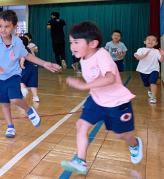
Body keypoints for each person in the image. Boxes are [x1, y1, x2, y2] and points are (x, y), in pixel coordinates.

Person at [61, 22, 143, 175]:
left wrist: (85, 86)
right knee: (81, 126)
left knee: (120, 134)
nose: (72, 46)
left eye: (77, 42)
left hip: (117, 102)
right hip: (96, 99)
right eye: (71, 42)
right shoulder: (84, 58)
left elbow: (110, 78)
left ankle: (135, 143)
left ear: (93, 43)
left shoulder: (102, 55)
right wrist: (90, 88)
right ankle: (81, 161)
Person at [0, 10, 60, 138]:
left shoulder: (17, 42)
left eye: (7, 26)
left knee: (14, 98)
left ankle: (29, 110)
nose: (3, 29)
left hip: (13, 75)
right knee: (5, 103)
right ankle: (10, 126)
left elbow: (27, 55)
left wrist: (44, 63)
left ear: (14, 27)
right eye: (0, 26)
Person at [134, 34, 164, 104]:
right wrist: (144, 56)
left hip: (154, 70)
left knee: (153, 82)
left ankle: (153, 97)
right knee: (146, 85)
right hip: (143, 70)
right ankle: (149, 91)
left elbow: (161, 60)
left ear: (156, 43)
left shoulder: (156, 51)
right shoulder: (141, 49)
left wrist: (162, 55)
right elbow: (137, 57)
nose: (151, 41)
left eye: (153, 40)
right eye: (149, 39)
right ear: (145, 41)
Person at [19, 37, 39, 102]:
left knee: (20, 80)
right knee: (32, 84)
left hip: (26, 66)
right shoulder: (28, 48)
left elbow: (23, 56)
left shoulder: (22, 48)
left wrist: (21, 63)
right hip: (34, 67)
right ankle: (36, 97)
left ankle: (24, 91)